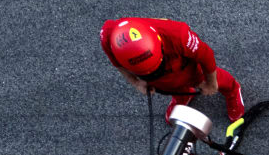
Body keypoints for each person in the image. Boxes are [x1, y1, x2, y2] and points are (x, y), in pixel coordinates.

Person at [99, 17, 245, 124]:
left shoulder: (178, 35)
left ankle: (232, 89)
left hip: (181, 65)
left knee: (199, 76)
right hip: (158, 80)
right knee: (167, 84)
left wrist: (211, 84)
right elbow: (118, 64)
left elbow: (206, 56)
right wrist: (135, 82)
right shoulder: (109, 37)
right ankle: (183, 96)